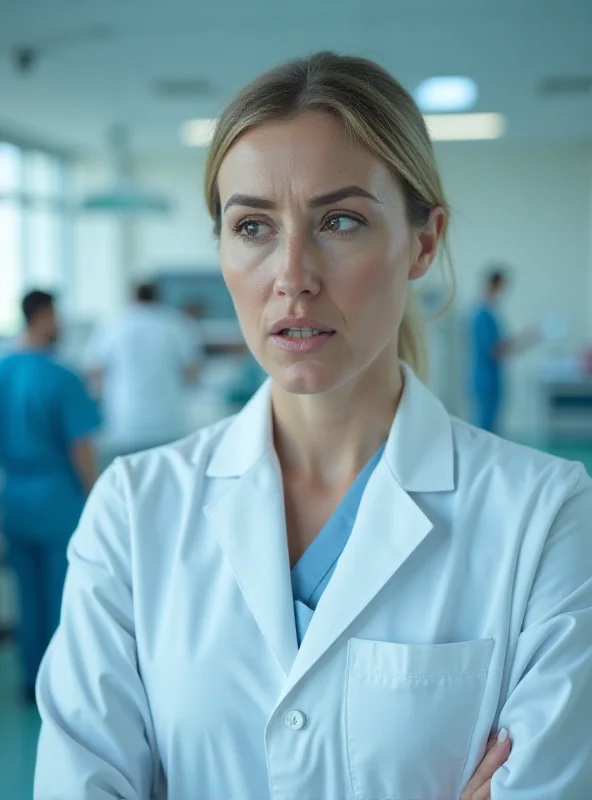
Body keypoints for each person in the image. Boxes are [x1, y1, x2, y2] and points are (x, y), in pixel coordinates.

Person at [34, 52, 592, 799]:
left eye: (340, 221)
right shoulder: (133, 512)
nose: (291, 274)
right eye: (254, 225)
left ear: (424, 243)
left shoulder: (546, 515)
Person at [0, 290, 100, 701]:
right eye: (56, 315)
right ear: (41, 316)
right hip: (58, 495)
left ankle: (30, 679)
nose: (59, 324)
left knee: (27, 590)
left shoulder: (3, 370)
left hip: (15, 497)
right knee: (64, 590)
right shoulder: (62, 376)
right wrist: (94, 492)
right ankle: (59, 683)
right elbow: (81, 446)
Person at [85, 282, 200, 456]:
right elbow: (192, 371)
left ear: (133, 297)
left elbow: (95, 370)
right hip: (169, 422)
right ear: (158, 297)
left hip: (125, 422)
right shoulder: (176, 323)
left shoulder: (114, 324)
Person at [470, 267, 540, 433]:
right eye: (502, 287)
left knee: (491, 426)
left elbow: (499, 347)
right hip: (485, 379)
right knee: (485, 429)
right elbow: (495, 351)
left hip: (491, 377)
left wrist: (523, 340)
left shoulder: (490, 314)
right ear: (493, 285)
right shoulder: (482, 315)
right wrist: (524, 340)